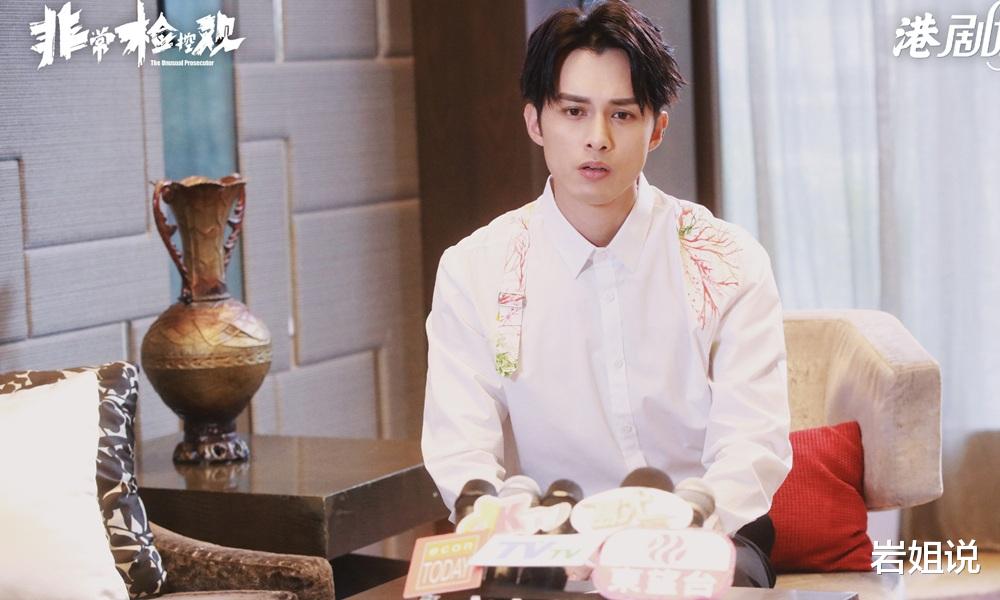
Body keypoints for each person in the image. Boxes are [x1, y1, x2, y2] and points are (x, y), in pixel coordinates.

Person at [421, 0, 791, 587]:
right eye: (574, 111)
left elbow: (752, 445)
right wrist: (504, 526)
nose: (596, 139)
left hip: (701, 539)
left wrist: (677, 531)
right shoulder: (475, 269)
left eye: (622, 114)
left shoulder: (726, 261)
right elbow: (461, 450)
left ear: (657, 128)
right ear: (535, 122)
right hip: (548, 542)